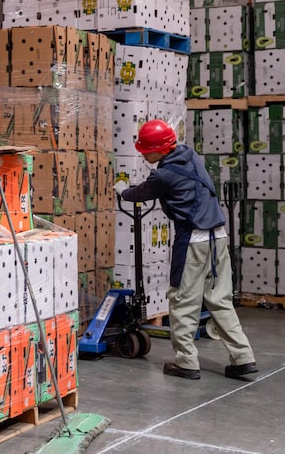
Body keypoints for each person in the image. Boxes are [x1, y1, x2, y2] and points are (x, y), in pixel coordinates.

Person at [114, 119, 257, 381]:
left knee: (182, 301)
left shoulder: (163, 175)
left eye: (146, 150)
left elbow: (141, 193)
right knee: (220, 300)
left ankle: (187, 362)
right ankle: (244, 357)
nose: (144, 154)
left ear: (159, 149)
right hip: (218, 236)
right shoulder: (191, 156)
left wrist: (123, 191)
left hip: (194, 240)